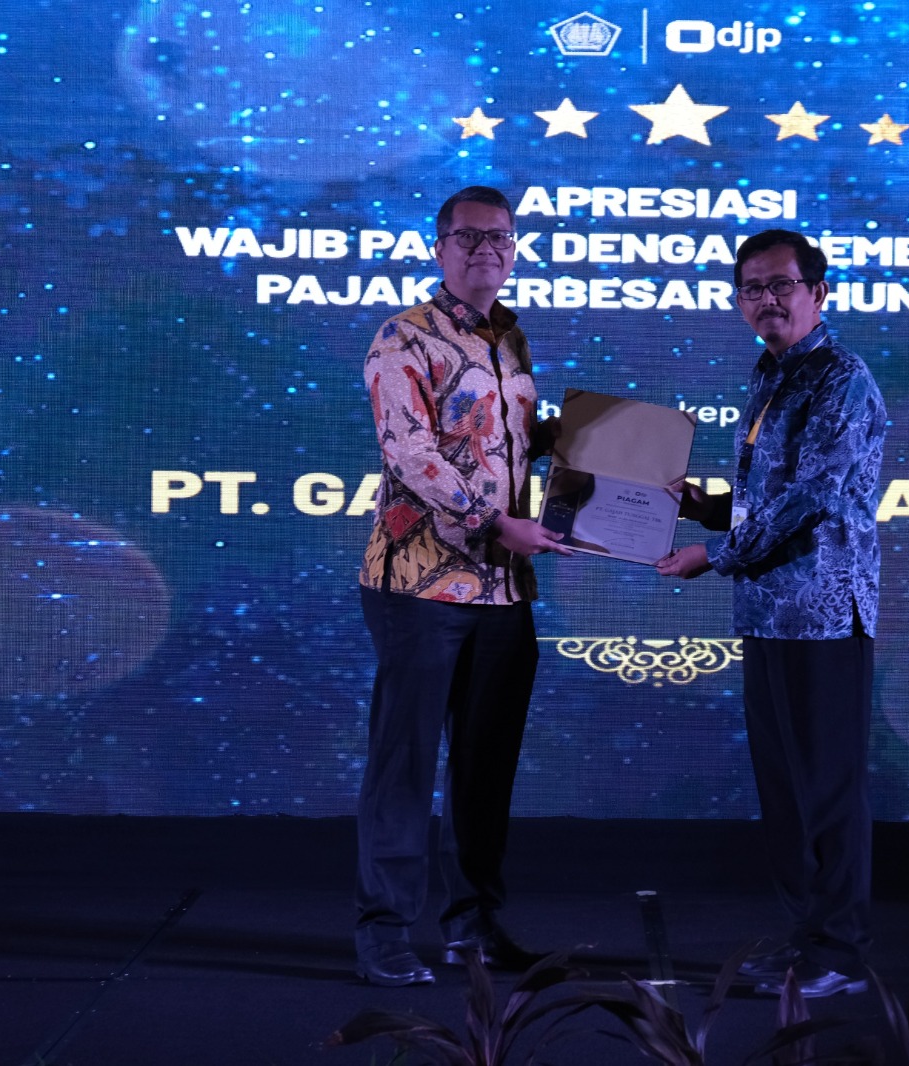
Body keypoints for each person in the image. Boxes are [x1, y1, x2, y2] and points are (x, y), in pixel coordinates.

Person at [655, 229, 886, 997]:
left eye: (781, 284)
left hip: (824, 615)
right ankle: (804, 940)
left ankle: (839, 953)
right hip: (768, 613)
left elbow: (812, 496)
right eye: (751, 288)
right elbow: (765, 499)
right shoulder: (770, 372)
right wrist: (702, 506)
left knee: (827, 790)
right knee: (786, 793)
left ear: (818, 292)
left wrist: (715, 553)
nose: (766, 300)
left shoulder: (841, 378)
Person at [353, 186, 570, 986]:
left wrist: (589, 438)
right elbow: (410, 452)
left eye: (500, 238)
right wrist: (492, 521)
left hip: (503, 590)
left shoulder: (511, 339)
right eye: (470, 238)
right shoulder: (403, 337)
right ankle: (384, 929)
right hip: (421, 583)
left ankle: (472, 926)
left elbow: (507, 442)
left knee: (486, 767)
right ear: (439, 248)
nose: (487, 250)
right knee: (405, 762)